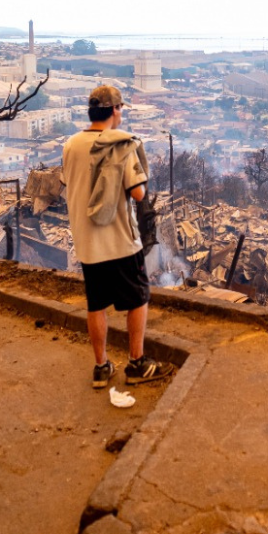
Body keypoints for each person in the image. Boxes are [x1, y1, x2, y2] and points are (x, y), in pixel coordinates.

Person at [62, 85, 175, 389]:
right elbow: (139, 193)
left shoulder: (70, 145)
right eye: (121, 107)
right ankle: (136, 363)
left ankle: (101, 367)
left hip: (87, 243)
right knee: (138, 298)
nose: (121, 112)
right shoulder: (121, 146)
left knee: (96, 304)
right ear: (113, 110)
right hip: (120, 240)